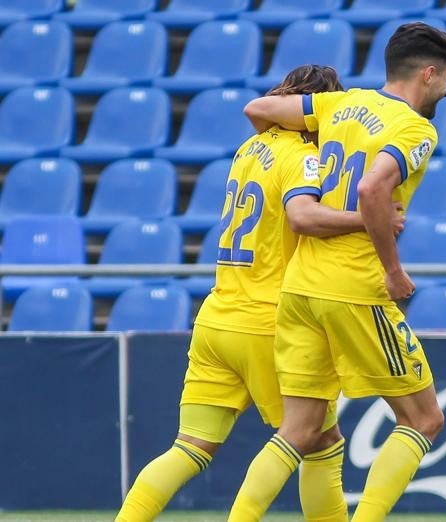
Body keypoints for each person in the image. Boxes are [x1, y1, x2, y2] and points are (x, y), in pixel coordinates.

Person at [116, 66, 403, 522]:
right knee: (320, 443)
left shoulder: (250, 148)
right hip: (269, 324)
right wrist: (370, 221)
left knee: (188, 448)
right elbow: (302, 217)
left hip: (216, 318)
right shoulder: (302, 157)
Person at [227, 23, 446, 522]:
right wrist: (393, 272)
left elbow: (259, 109)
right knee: (424, 418)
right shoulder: (417, 129)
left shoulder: (341, 104)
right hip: (354, 288)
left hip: (300, 288)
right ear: (429, 72)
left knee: (300, 431)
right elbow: (374, 189)